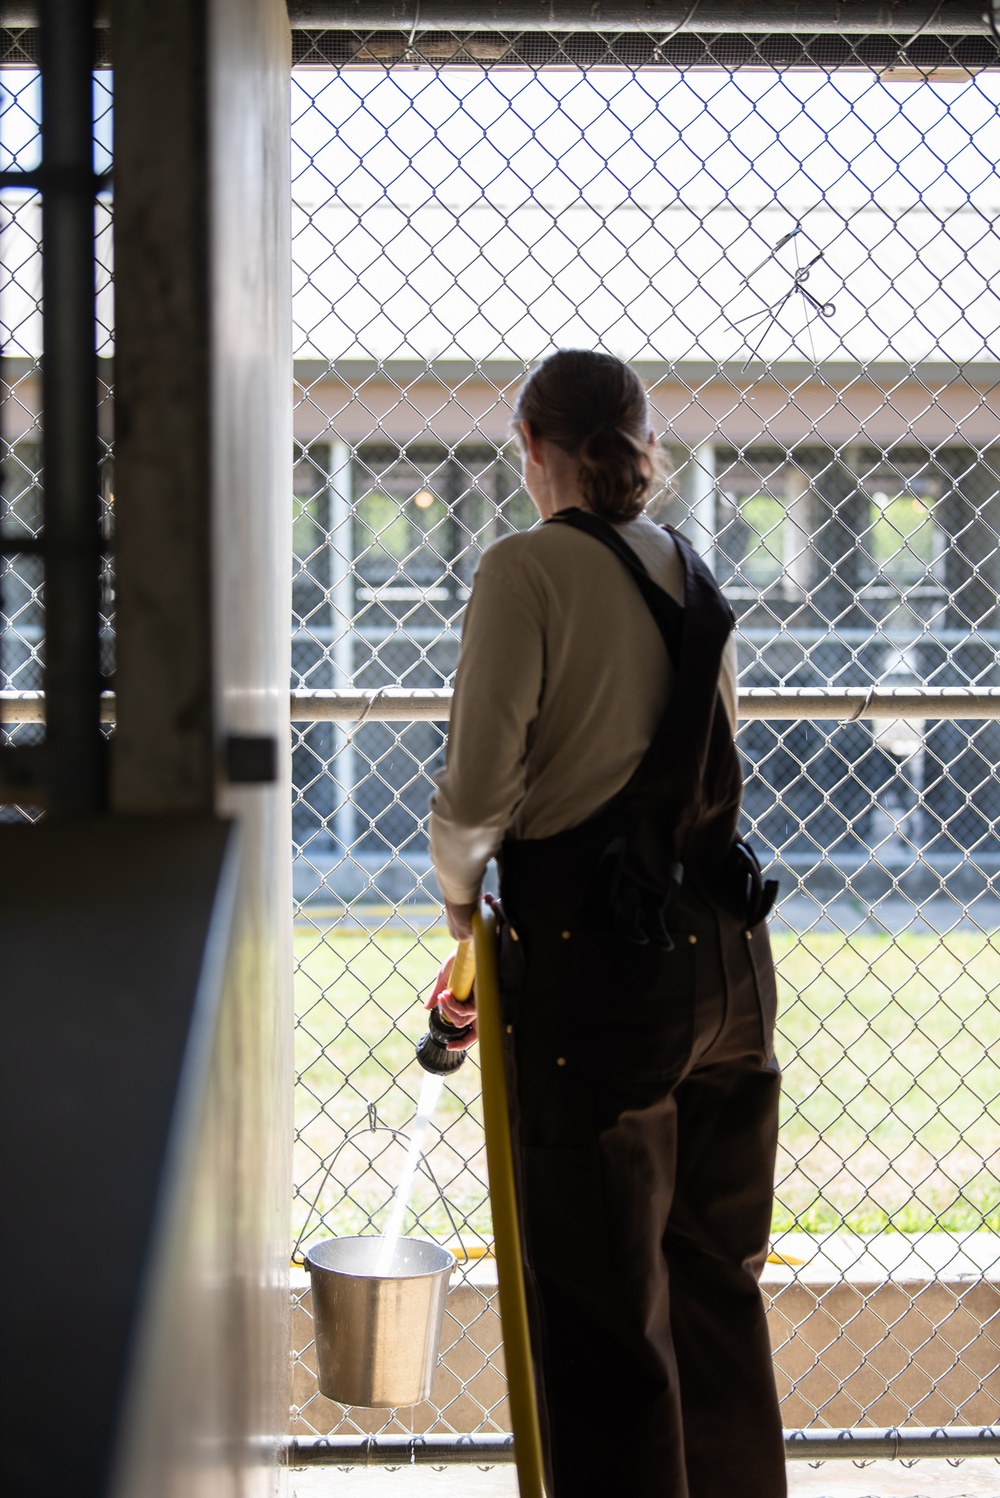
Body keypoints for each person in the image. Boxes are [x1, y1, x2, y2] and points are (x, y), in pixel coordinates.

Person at [426, 349, 786, 1498]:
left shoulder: (522, 572)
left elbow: (479, 789)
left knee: (601, 1316)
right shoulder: (693, 574)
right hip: (729, 967)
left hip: (600, 985)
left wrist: (456, 901)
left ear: (530, 445)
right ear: (640, 441)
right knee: (714, 1288)